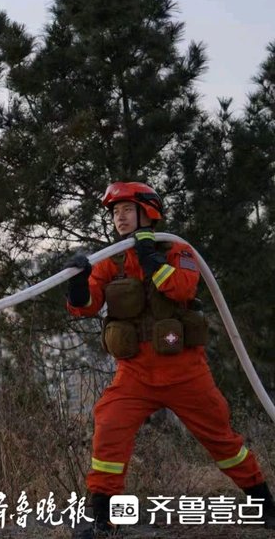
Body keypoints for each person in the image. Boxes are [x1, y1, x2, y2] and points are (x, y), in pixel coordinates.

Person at [64, 181, 274, 537]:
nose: (119, 218)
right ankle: (102, 519)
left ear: (148, 212)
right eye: (115, 213)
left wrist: (152, 259)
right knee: (109, 429)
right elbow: (85, 307)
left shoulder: (177, 250)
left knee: (222, 441)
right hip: (134, 374)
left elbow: (182, 288)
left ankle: (264, 504)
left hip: (184, 372)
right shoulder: (112, 260)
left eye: (127, 210)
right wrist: (77, 283)